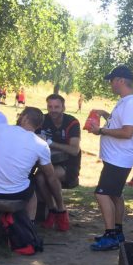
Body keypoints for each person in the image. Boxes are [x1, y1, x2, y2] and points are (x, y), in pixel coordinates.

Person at [0, 107, 64, 253]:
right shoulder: (40, 144)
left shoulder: (0, 129)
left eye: (21, 115)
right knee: (32, 190)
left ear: (25, 118)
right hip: (15, 193)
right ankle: (29, 227)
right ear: (38, 125)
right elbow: (49, 174)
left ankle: (13, 222)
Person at [86, 65, 133, 251]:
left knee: (101, 193)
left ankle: (110, 236)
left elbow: (127, 132)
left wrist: (101, 130)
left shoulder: (131, 102)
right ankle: (117, 232)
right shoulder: (126, 101)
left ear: (120, 80)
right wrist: (105, 115)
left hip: (119, 158)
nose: (110, 84)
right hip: (116, 158)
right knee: (115, 195)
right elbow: (121, 123)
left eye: (112, 80)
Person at [36, 93, 81, 231]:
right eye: (50, 106)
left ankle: (61, 211)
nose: (53, 110)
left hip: (69, 164)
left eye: (56, 107)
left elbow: (74, 150)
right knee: (39, 178)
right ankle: (52, 210)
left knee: (50, 176)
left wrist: (50, 143)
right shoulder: (42, 119)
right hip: (46, 162)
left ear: (63, 107)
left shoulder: (72, 122)